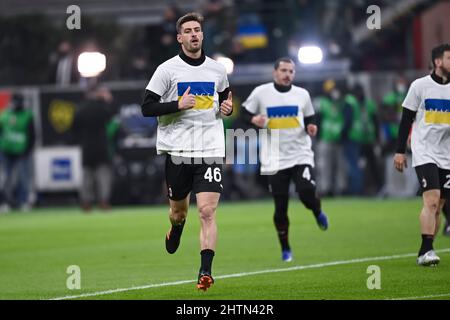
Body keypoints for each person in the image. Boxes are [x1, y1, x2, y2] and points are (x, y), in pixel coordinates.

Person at [140, 12, 232, 291]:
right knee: (179, 213)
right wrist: (177, 104)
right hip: (178, 151)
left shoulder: (217, 70)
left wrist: (228, 108)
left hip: (210, 149)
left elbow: (226, 99)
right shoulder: (167, 70)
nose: (193, 34)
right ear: (179, 38)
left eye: (197, 30)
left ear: (203, 35)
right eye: (188, 31)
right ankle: (176, 229)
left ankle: (205, 271)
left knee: (207, 211)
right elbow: (146, 107)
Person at [241, 57, 328, 262]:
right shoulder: (261, 93)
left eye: (291, 71)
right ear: (275, 73)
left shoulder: (302, 94)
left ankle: (317, 211)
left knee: (306, 191)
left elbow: (309, 117)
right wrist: (254, 119)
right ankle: (286, 248)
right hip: (274, 158)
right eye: (284, 70)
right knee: (281, 206)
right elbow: (243, 115)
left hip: (300, 153)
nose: (288, 74)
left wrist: (311, 126)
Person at [394, 43, 450, 266]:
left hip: (447, 153)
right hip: (425, 150)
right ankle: (427, 250)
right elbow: (406, 119)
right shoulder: (420, 86)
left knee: (439, 205)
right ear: (438, 62)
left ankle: (425, 250)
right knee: (432, 199)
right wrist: (400, 151)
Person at [72, 86, 115, 211]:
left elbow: (74, 127)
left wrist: (79, 139)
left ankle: (86, 203)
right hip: (101, 145)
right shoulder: (102, 108)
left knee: (87, 176)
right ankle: (104, 202)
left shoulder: (81, 109)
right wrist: (106, 100)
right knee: (103, 176)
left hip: (87, 146)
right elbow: (111, 116)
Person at [0, 93, 35, 211]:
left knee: (24, 177)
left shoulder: (27, 115)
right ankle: (5, 202)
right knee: (6, 178)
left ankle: (24, 201)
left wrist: (28, 150)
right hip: (6, 151)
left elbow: (32, 135)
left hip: (22, 151)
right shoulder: (4, 115)